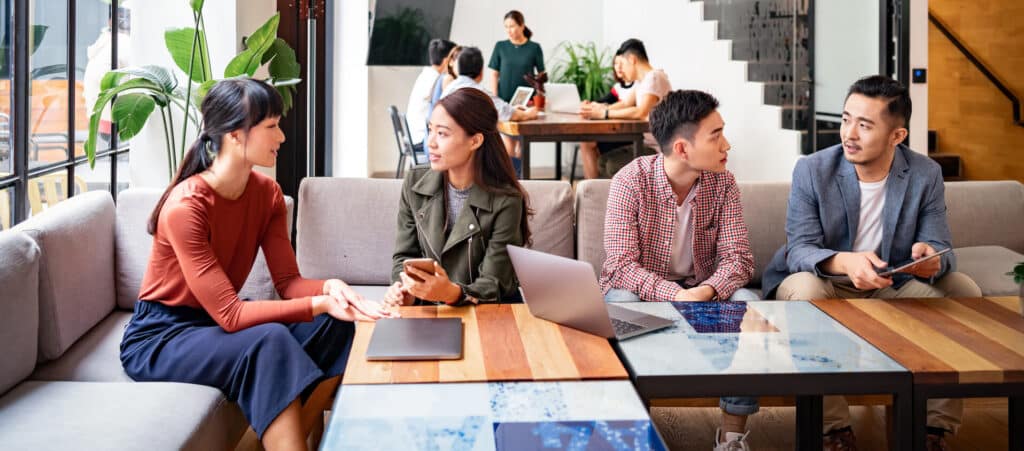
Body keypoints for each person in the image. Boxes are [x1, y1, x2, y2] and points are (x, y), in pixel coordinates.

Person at [119, 78, 396, 451]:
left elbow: (288, 282)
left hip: (213, 326)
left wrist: (330, 288)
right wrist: (317, 302)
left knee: (334, 321)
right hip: (164, 336)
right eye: (271, 126)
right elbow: (231, 316)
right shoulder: (187, 208)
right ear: (235, 135)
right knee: (269, 339)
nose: (281, 136)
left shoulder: (267, 195)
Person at [761, 75, 982, 451]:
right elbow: (800, 249)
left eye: (864, 125)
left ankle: (934, 429)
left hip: (890, 283)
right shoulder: (813, 169)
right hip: (825, 277)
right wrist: (846, 262)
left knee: (963, 289)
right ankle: (833, 430)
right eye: (846, 119)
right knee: (807, 292)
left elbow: (941, 245)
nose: (849, 133)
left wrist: (929, 260)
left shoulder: (924, 174)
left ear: (897, 136)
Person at [599, 89, 759, 451]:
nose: (727, 145)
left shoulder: (723, 183)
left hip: (701, 288)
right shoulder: (631, 180)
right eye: (716, 136)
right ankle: (633, 427)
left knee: (747, 301)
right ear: (682, 149)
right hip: (642, 289)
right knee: (621, 300)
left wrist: (703, 292)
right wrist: (676, 296)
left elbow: (739, 259)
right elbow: (622, 266)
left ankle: (732, 434)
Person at [384, 88, 532, 306]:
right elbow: (403, 257)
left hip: (486, 314)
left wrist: (451, 293)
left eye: (442, 133)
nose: (430, 142)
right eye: (430, 130)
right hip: (428, 313)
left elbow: (494, 282)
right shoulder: (414, 184)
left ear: (475, 141)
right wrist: (404, 289)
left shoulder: (507, 200)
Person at [579, 38, 671, 179]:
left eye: (621, 63)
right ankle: (597, 198)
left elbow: (641, 112)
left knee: (611, 164)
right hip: (644, 141)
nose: (619, 69)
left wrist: (605, 113)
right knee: (604, 161)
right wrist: (596, 108)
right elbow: (625, 103)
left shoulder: (654, 77)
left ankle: (600, 197)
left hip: (656, 147)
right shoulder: (642, 81)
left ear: (632, 59)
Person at [406, 38, 457, 148]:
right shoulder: (439, 80)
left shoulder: (425, 75)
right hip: (422, 138)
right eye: (454, 58)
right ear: (446, 61)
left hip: (412, 136)